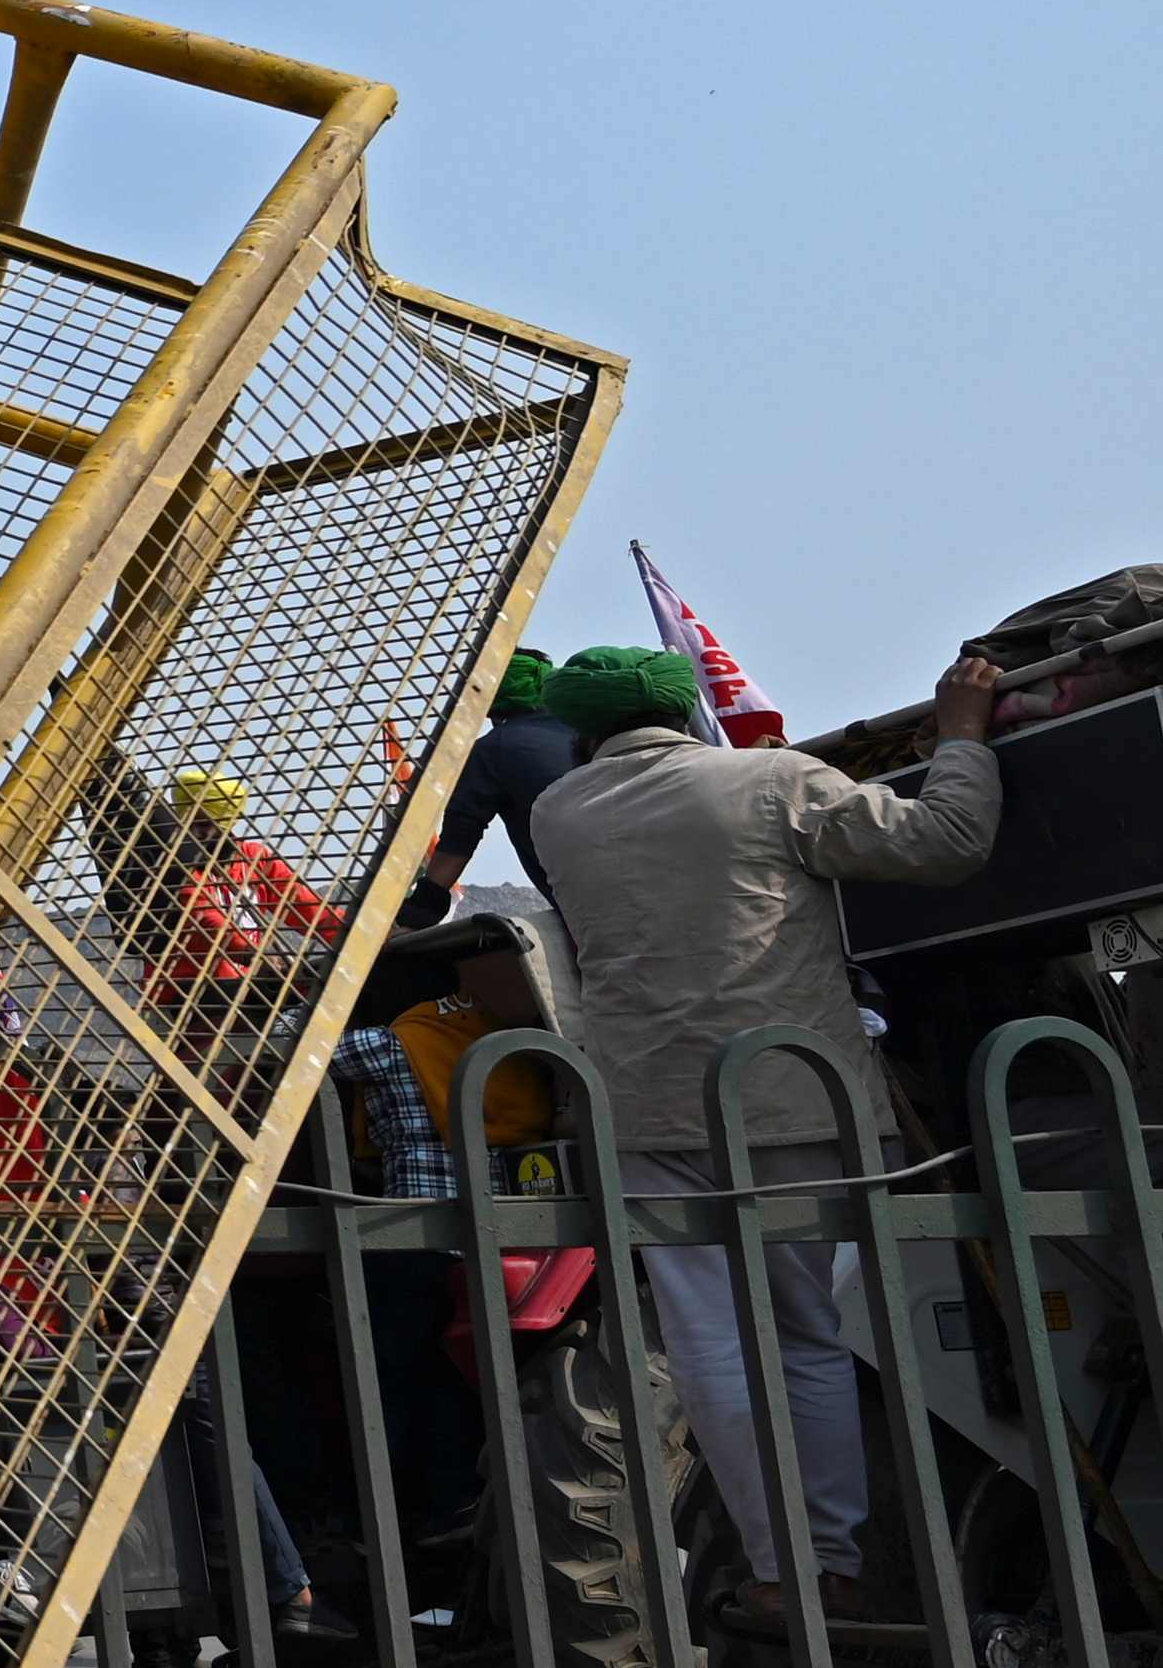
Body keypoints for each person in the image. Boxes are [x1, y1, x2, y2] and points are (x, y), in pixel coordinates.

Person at [526, 638, 1007, 1610]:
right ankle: (830, 1557)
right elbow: (946, 840)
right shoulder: (773, 779)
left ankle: (781, 1566)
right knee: (804, 1335)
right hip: (790, 1101)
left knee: (707, 1342)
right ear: (686, 708)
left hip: (648, 1110)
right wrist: (961, 737)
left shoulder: (556, 810)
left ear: (580, 729)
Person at [398, 652, 584, 926]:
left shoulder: (493, 748)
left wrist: (421, 909)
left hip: (594, 904)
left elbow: (458, 842)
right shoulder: (588, 732)